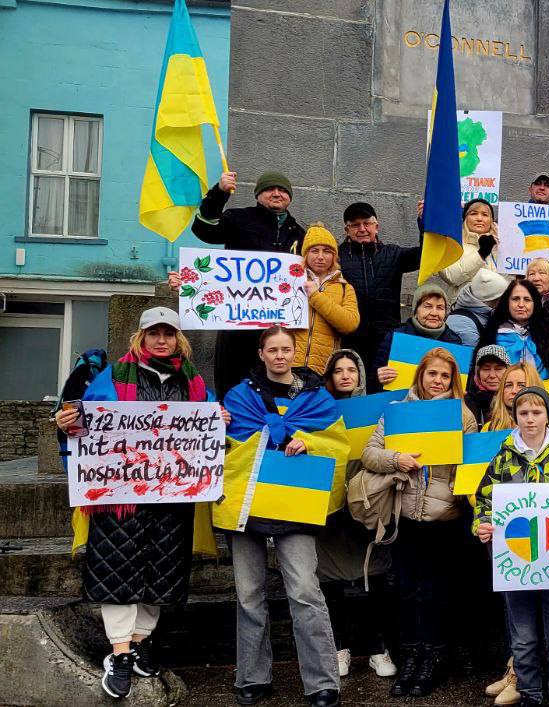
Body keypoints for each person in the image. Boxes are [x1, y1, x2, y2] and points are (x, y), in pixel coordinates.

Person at [56, 307, 221, 700]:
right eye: (153, 333)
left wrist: (220, 419)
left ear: (178, 338)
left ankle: (141, 639)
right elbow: (86, 423)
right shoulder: (112, 377)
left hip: (171, 498)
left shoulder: (195, 384)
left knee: (162, 572)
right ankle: (120, 653)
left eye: (168, 333)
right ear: (141, 337)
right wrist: (70, 423)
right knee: (118, 571)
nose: (160, 340)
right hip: (121, 499)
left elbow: (208, 426)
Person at [221, 327, 342, 707]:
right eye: (272, 349)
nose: (279, 355)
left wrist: (311, 441)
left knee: (305, 591)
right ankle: (252, 677)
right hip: (247, 505)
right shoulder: (237, 397)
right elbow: (224, 446)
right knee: (248, 595)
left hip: (294, 505)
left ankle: (323, 681)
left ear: (295, 352)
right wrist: (218, 424)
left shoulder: (317, 398)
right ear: (261, 353)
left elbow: (339, 444)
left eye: (285, 349)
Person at [361, 347, 479, 697]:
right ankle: (411, 657)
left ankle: (433, 660)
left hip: (444, 521)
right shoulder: (398, 411)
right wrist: (396, 459)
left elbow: (472, 467)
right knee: (407, 590)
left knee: (435, 593)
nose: (438, 381)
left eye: (445, 376)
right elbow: (369, 453)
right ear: (421, 376)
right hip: (406, 518)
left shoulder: (463, 415)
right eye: (432, 374)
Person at [474, 386, 549, 707]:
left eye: (536, 412)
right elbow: (483, 500)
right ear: (515, 416)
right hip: (515, 564)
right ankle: (531, 694)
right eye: (523, 413)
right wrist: (481, 525)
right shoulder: (502, 458)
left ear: (547, 416)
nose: (530, 419)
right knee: (523, 635)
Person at [316, 350, 397, 681]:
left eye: (352, 369)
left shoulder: (379, 408)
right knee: (330, 580)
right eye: (339, 370)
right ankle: (338, 647)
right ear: (330, 376)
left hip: (367, 500)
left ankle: (378, 649)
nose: (346, 375)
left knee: (373, 577)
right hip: (330, 500)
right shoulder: (315, 411)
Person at [189, 170, 306, 397]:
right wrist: (218, 193)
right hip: (237, 327)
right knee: (234, 389)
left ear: (290, 197)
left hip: (277, 330)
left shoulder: (299, 233)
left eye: (282, 190)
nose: (276, 193)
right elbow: (204, 228)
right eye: (269, 189)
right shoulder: (238, 218)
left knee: (273, 392)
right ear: (258, 195)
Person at [336, 202, 425, 388]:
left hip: (387, 340)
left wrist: (425, 222)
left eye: (367, 223)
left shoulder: (393, 254)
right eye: (355, 225)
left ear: (376, 226)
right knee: (352, 391)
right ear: (347, 229)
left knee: (383, 390)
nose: (362, 229)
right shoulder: (336, 257)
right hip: (350, 340)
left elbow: (425, 255)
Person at [293, 224, 361, 375]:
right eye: (314, 251)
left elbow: (350, 324)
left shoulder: (344, 288)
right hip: (289, 367)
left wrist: (315, 296)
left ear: (334, 256)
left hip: (324, 370)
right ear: (305, 254)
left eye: (327, 251)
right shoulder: (290, 282)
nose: (320, 257)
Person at [373, 283, 463, 389]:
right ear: (416, 311)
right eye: (428, 306)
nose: (434, 313)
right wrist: (379, 377)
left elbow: (457, 383)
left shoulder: (454, 342)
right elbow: (372, 379)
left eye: (440, 308)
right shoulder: (395, 337)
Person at [478, 279, 549, 384]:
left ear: (535, 303)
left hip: (544, 397)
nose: (521, 304)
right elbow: (483, 374)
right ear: (507, 302)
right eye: (515, 299)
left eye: (527, 299)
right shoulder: (491, 335)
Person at [426, 198, 500, 304]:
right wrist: (482, 253)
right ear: (465, 218)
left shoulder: (501, 247)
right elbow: (451, 276)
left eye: (485, 215)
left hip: (496, 312)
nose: (479, 218)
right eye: (473, 213)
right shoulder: (453, 244)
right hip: (465, 310)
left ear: (491, 221)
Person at [446, 269, 510, 348]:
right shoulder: (463, 324)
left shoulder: (485, 313)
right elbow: (469, 356)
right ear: (492, 299)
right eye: (502, 297)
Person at [465, 345, 512, 427]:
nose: (492, 375)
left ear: (508, 371)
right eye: (486, 369)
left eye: (498, 369)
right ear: (477, 373)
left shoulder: (518, 400)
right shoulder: (466, 403)